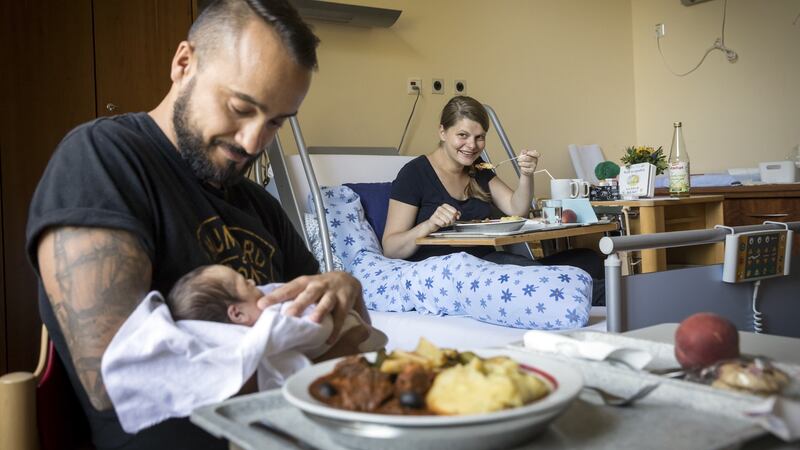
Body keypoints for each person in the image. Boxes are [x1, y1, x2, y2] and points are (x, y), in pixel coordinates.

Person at [26, 1, 365, 448]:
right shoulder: (104, 159)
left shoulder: (259, 206)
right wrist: (297, 355)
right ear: (184, 63)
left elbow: (353, 342)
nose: (253, 141)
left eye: (276, 122)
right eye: (241, 107)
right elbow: (121, 381)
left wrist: (346, 289)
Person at [382, 95, 604, 303]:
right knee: (561, 280)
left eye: (479, 137)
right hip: (453, 274)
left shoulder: (478, 170)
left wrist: (526, 175)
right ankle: (621, 298)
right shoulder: (414, 174)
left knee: (589, 259)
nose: (472, 145)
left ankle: (601, 295)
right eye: (463, 135)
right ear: (442, 132)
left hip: (488, 263)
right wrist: (429, 224)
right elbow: (391, 248)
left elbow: (517, 210)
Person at [165, 264, 387, 359]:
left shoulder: (263, 207)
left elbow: (331, 296)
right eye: (246, 284)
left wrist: (349, 283)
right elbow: (316, 328)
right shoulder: (272, 326)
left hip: (368, 347)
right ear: (237, 314)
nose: (254, 281)